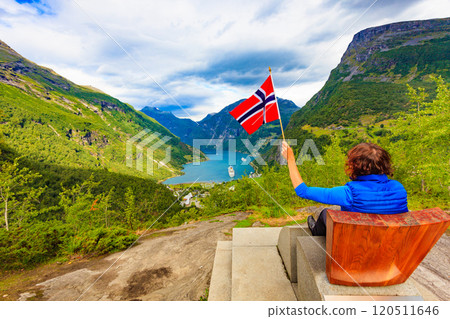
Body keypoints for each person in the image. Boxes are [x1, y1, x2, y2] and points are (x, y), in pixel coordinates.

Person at [281, 141, 408, 236]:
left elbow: (303, 191)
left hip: (357, 245)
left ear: (355, 166)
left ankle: (315, 231)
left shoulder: (350, 193)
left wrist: (290, 159)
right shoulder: (399, 188)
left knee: (326, 213)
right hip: (389, 244)